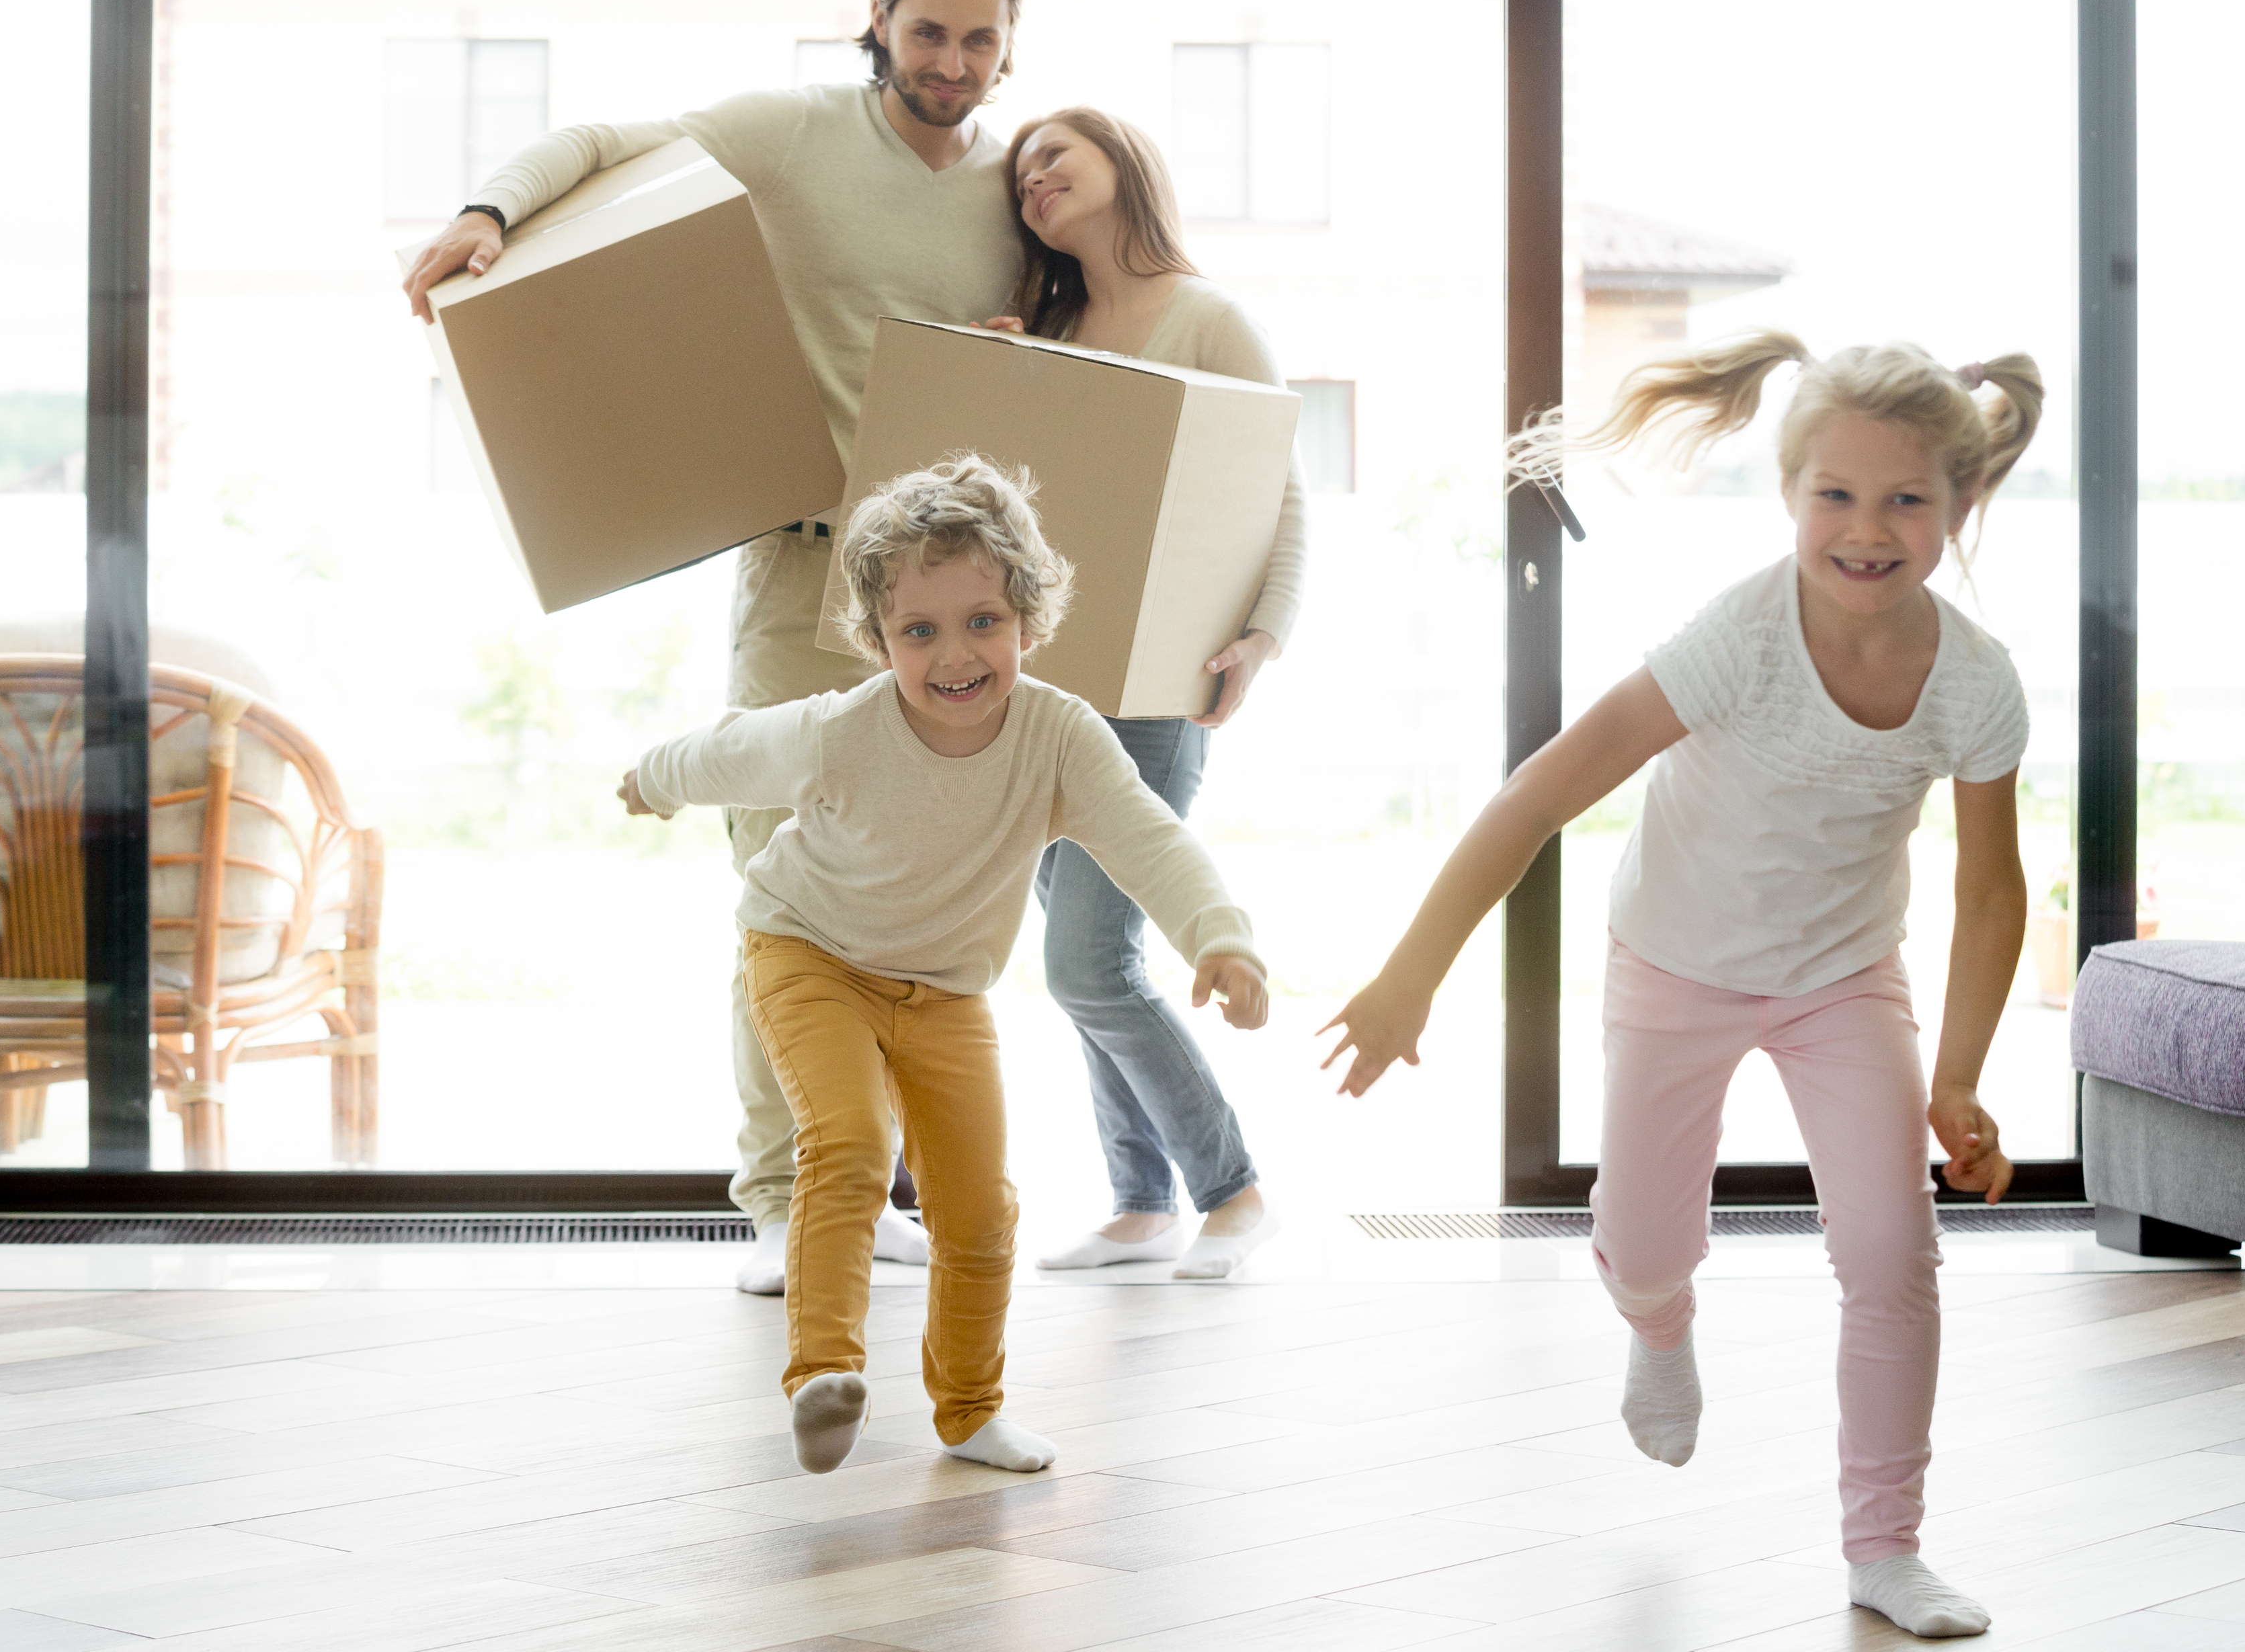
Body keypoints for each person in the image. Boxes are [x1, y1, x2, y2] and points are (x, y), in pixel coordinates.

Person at [1319, 333, 2041, 1641]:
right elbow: (1542, 790)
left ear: (1959, 505)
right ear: (1787, 494)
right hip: (1675, 961)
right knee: (1646, 1241)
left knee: (1891, 1252)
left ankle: (1887, 1544)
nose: (1867, 530)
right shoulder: (1736, 643)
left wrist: (1958, 1078)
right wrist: (1409, 976)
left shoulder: (1977, 683)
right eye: (1836, 495)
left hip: (1843, 981)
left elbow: (1993, 892)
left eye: (1905, 500)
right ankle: (1658, 1321)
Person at [398, 0, 1030, 1296]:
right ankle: (788, 1197)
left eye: (981, 40)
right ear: (880, 21)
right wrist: (491, 214)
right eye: (931, 34)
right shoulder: (793, 134)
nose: (955, 64)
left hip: (957, 602)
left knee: (916, 899)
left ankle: (878, 1188)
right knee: (787, 887)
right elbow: (603, 140)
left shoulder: (1013, 187)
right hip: (809, 575)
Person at [618, 455, 1270, 1475]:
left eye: (983, 623)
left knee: (978, 1205)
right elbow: (728, 752)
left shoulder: (1058, 738)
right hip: (809, 953)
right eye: (918, 631)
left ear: (1028, 621)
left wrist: (1219, 935)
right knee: (847, 1142)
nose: (955, 655)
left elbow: (1149, 838)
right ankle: (824, 1377)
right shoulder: (844, 730)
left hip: (945, 992)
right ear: (876, 641)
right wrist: (651, 781)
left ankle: (969, 1412)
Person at [991, 108, 1305, 1280]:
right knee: (1080, 956)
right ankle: (1141, 1202)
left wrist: (1263, 638)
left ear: (1123, 165)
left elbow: (1284, 494)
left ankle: (1234, 1193)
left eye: (1054, 157)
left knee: (1088, 961)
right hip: (1050, 689)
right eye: (1020, 175)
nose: (1032, 180)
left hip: (1160, 681)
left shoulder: (1208, 317)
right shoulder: (1057, 325)